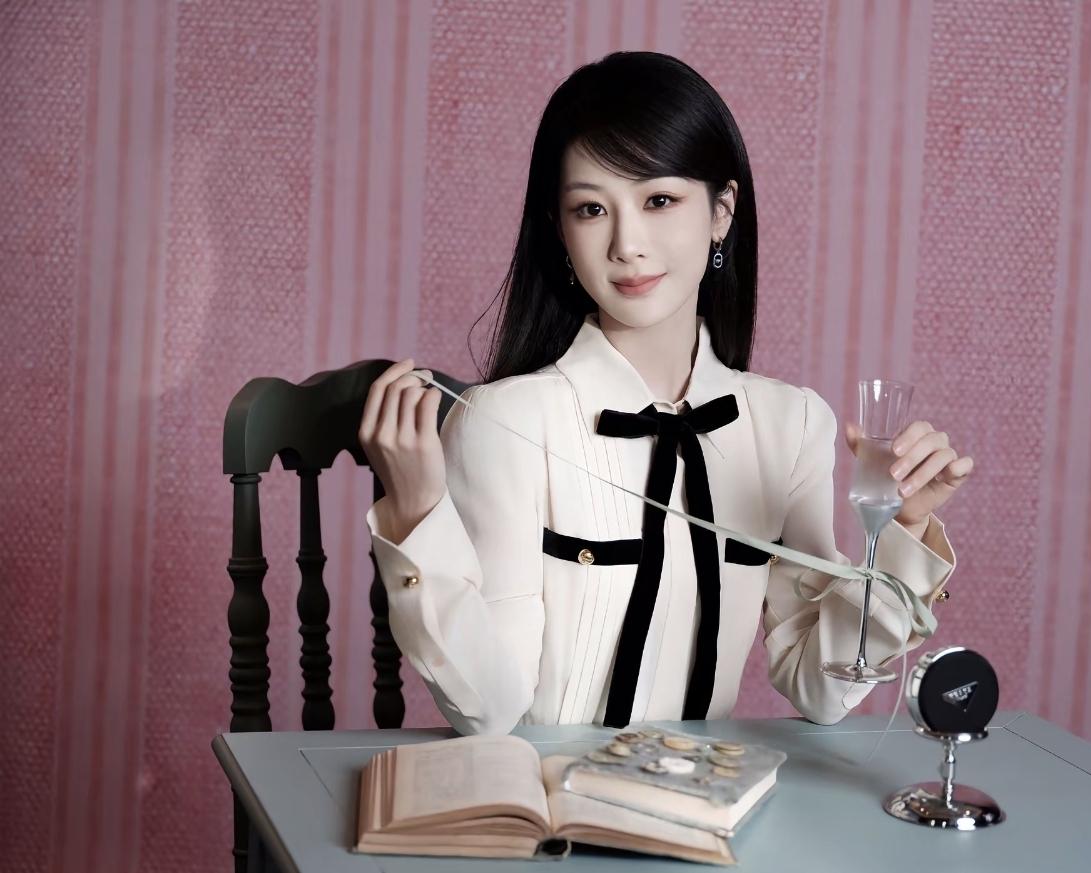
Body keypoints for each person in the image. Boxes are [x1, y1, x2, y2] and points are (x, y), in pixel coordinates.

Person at [358, 52, 972, 736]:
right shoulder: (505, 422)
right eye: (591, 209)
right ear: (560, 231)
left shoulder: (790, 425)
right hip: (551, 794)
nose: (627, 244)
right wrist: (416, 513)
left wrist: (905, 529)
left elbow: (819, 686)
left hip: (712, 795)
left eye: (658, 200)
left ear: (721, 211)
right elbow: (490, 707)